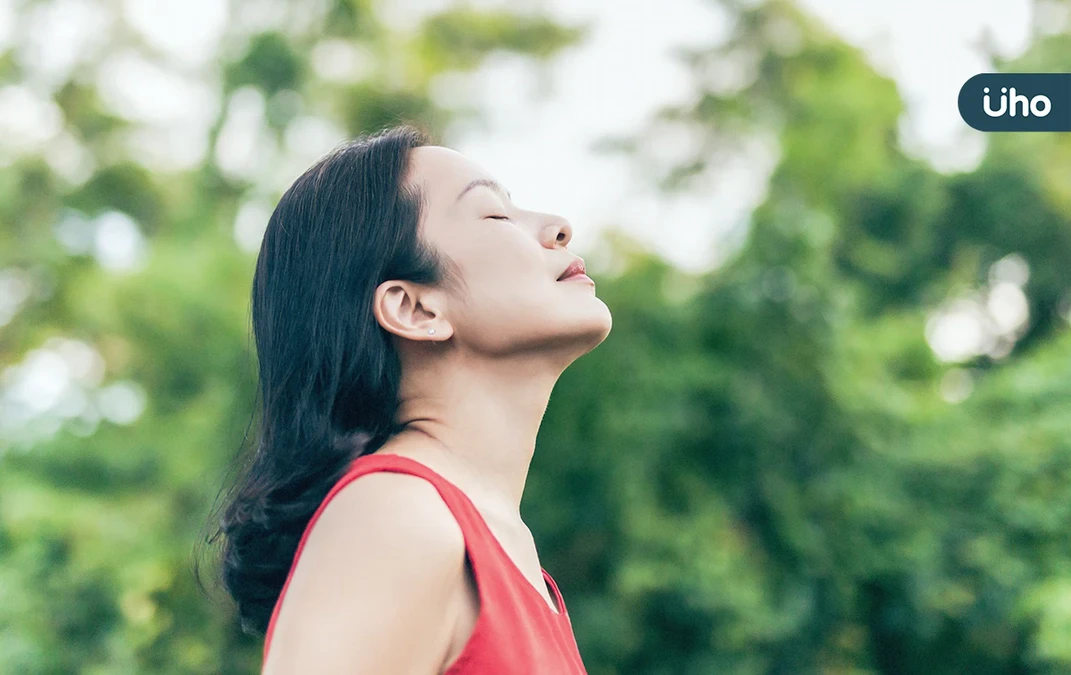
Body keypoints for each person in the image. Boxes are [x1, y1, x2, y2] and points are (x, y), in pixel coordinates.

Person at [203, 124, 613, 674]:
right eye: (494, 213)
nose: (559, 228)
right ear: (415, 310)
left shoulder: (513, 554)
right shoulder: (394, 515)